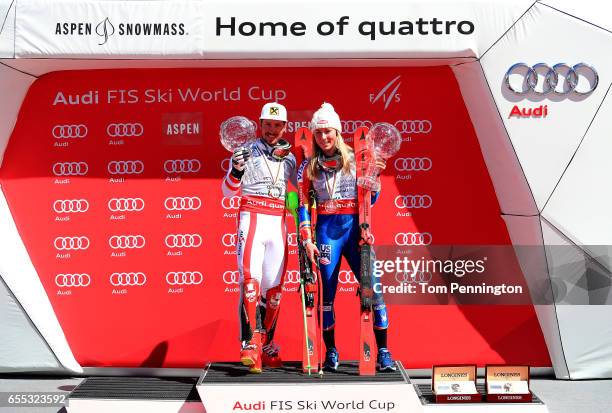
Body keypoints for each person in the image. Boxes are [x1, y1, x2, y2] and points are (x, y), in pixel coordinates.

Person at [297, 102, 396, 372]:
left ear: (337, 132)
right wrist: (306, 239)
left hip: (355, 232)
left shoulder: (357, 159)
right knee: (326, 295)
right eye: (318, 133)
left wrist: (375, 179)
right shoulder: (309, 167)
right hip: (327, 233)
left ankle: (383, 352)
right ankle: (331, 351)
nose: (324, 137)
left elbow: (369, 200)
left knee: (372, 290)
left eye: (328, 131)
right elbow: (302, 205)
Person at [221, 102, 297, 373]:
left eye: (277, 125)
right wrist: (236, 170)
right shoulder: (246, 151)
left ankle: (267, 344)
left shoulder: (290, 157)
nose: (271, 130)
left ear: (285, 127)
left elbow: (302, 191)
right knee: (250, 283)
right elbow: (228, 192)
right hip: (252, 216)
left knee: (274, 291)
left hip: (278, 221)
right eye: (267, 124)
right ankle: (248, 343)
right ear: (259, 124)